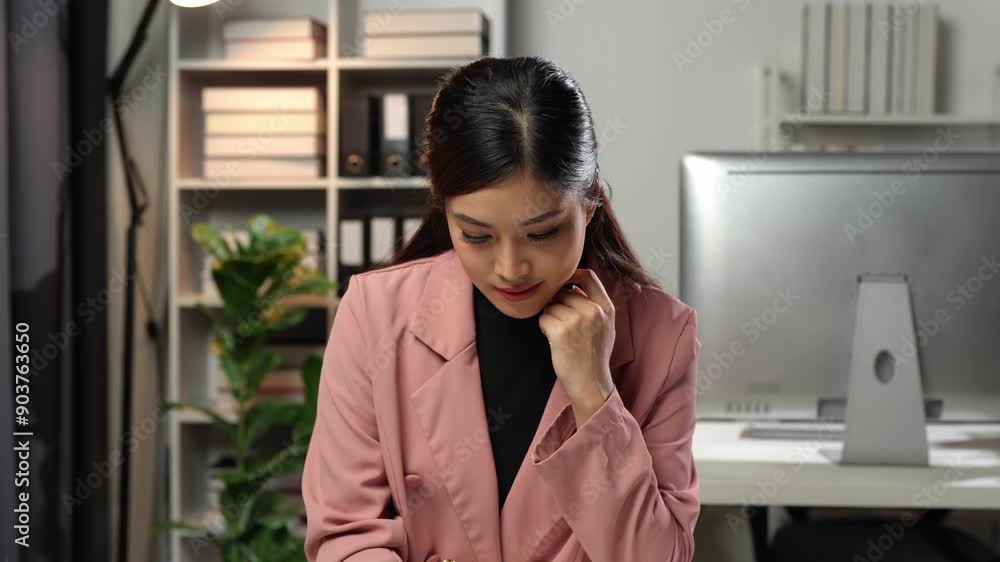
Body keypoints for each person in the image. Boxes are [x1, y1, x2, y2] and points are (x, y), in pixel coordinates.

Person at [302, 56, 701, 562]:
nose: (511, 268)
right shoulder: (375, 313)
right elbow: (346, 537)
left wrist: (596, 398)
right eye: (477, 235)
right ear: (444, 211)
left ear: (589, 205)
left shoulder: (663, 334)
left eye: (542, 233)